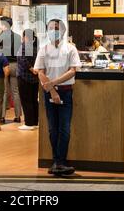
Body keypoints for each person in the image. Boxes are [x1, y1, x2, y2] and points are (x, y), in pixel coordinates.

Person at [34, 19, 82, 176]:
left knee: (65, 129)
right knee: (52, 129)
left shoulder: (70, 49)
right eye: (50, 28)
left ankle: (60, 162)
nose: (52, 31)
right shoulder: (43, 49)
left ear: (63, 30)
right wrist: (52, 91)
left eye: (56, 28)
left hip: (66, 92)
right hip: (49, 93)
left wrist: (53, 83)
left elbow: (73, 70)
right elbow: (40, 71)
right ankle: (57, 162)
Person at [0, 16, 22, 124]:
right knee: (15, 91)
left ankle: (2, 117)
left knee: (4, 91)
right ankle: (18, 116)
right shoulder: (18, 37)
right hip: (15, 65)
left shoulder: (0, 37)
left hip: (4, 66)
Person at [17, 29, 39, 131]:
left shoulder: (24, 46)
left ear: (25, 37)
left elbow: (23, 60)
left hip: (25, 77)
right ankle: (35, 122)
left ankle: (28, 123)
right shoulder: (36, 47)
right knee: (34, 100)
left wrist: (31, 69)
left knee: (26, 101)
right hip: (35, 79)